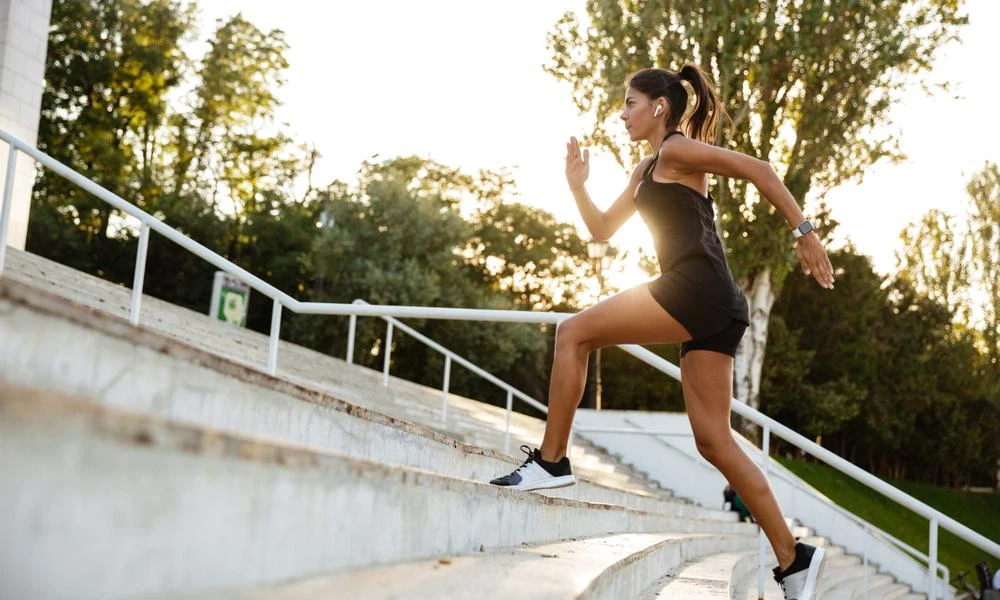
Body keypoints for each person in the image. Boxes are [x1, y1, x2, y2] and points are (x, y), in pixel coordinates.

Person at [488, 65, 834, 600]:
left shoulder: (676, 151)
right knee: (714, 440)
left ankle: (553, 461)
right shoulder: (647, 169)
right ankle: (793, 558)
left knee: (573, 332)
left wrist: (804, 233)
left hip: (695, 288)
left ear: (659, 108)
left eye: (630, 103)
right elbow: (602, 229)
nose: (621, 113)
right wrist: (577, 188)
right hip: (716, 304)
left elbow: (759, 169)